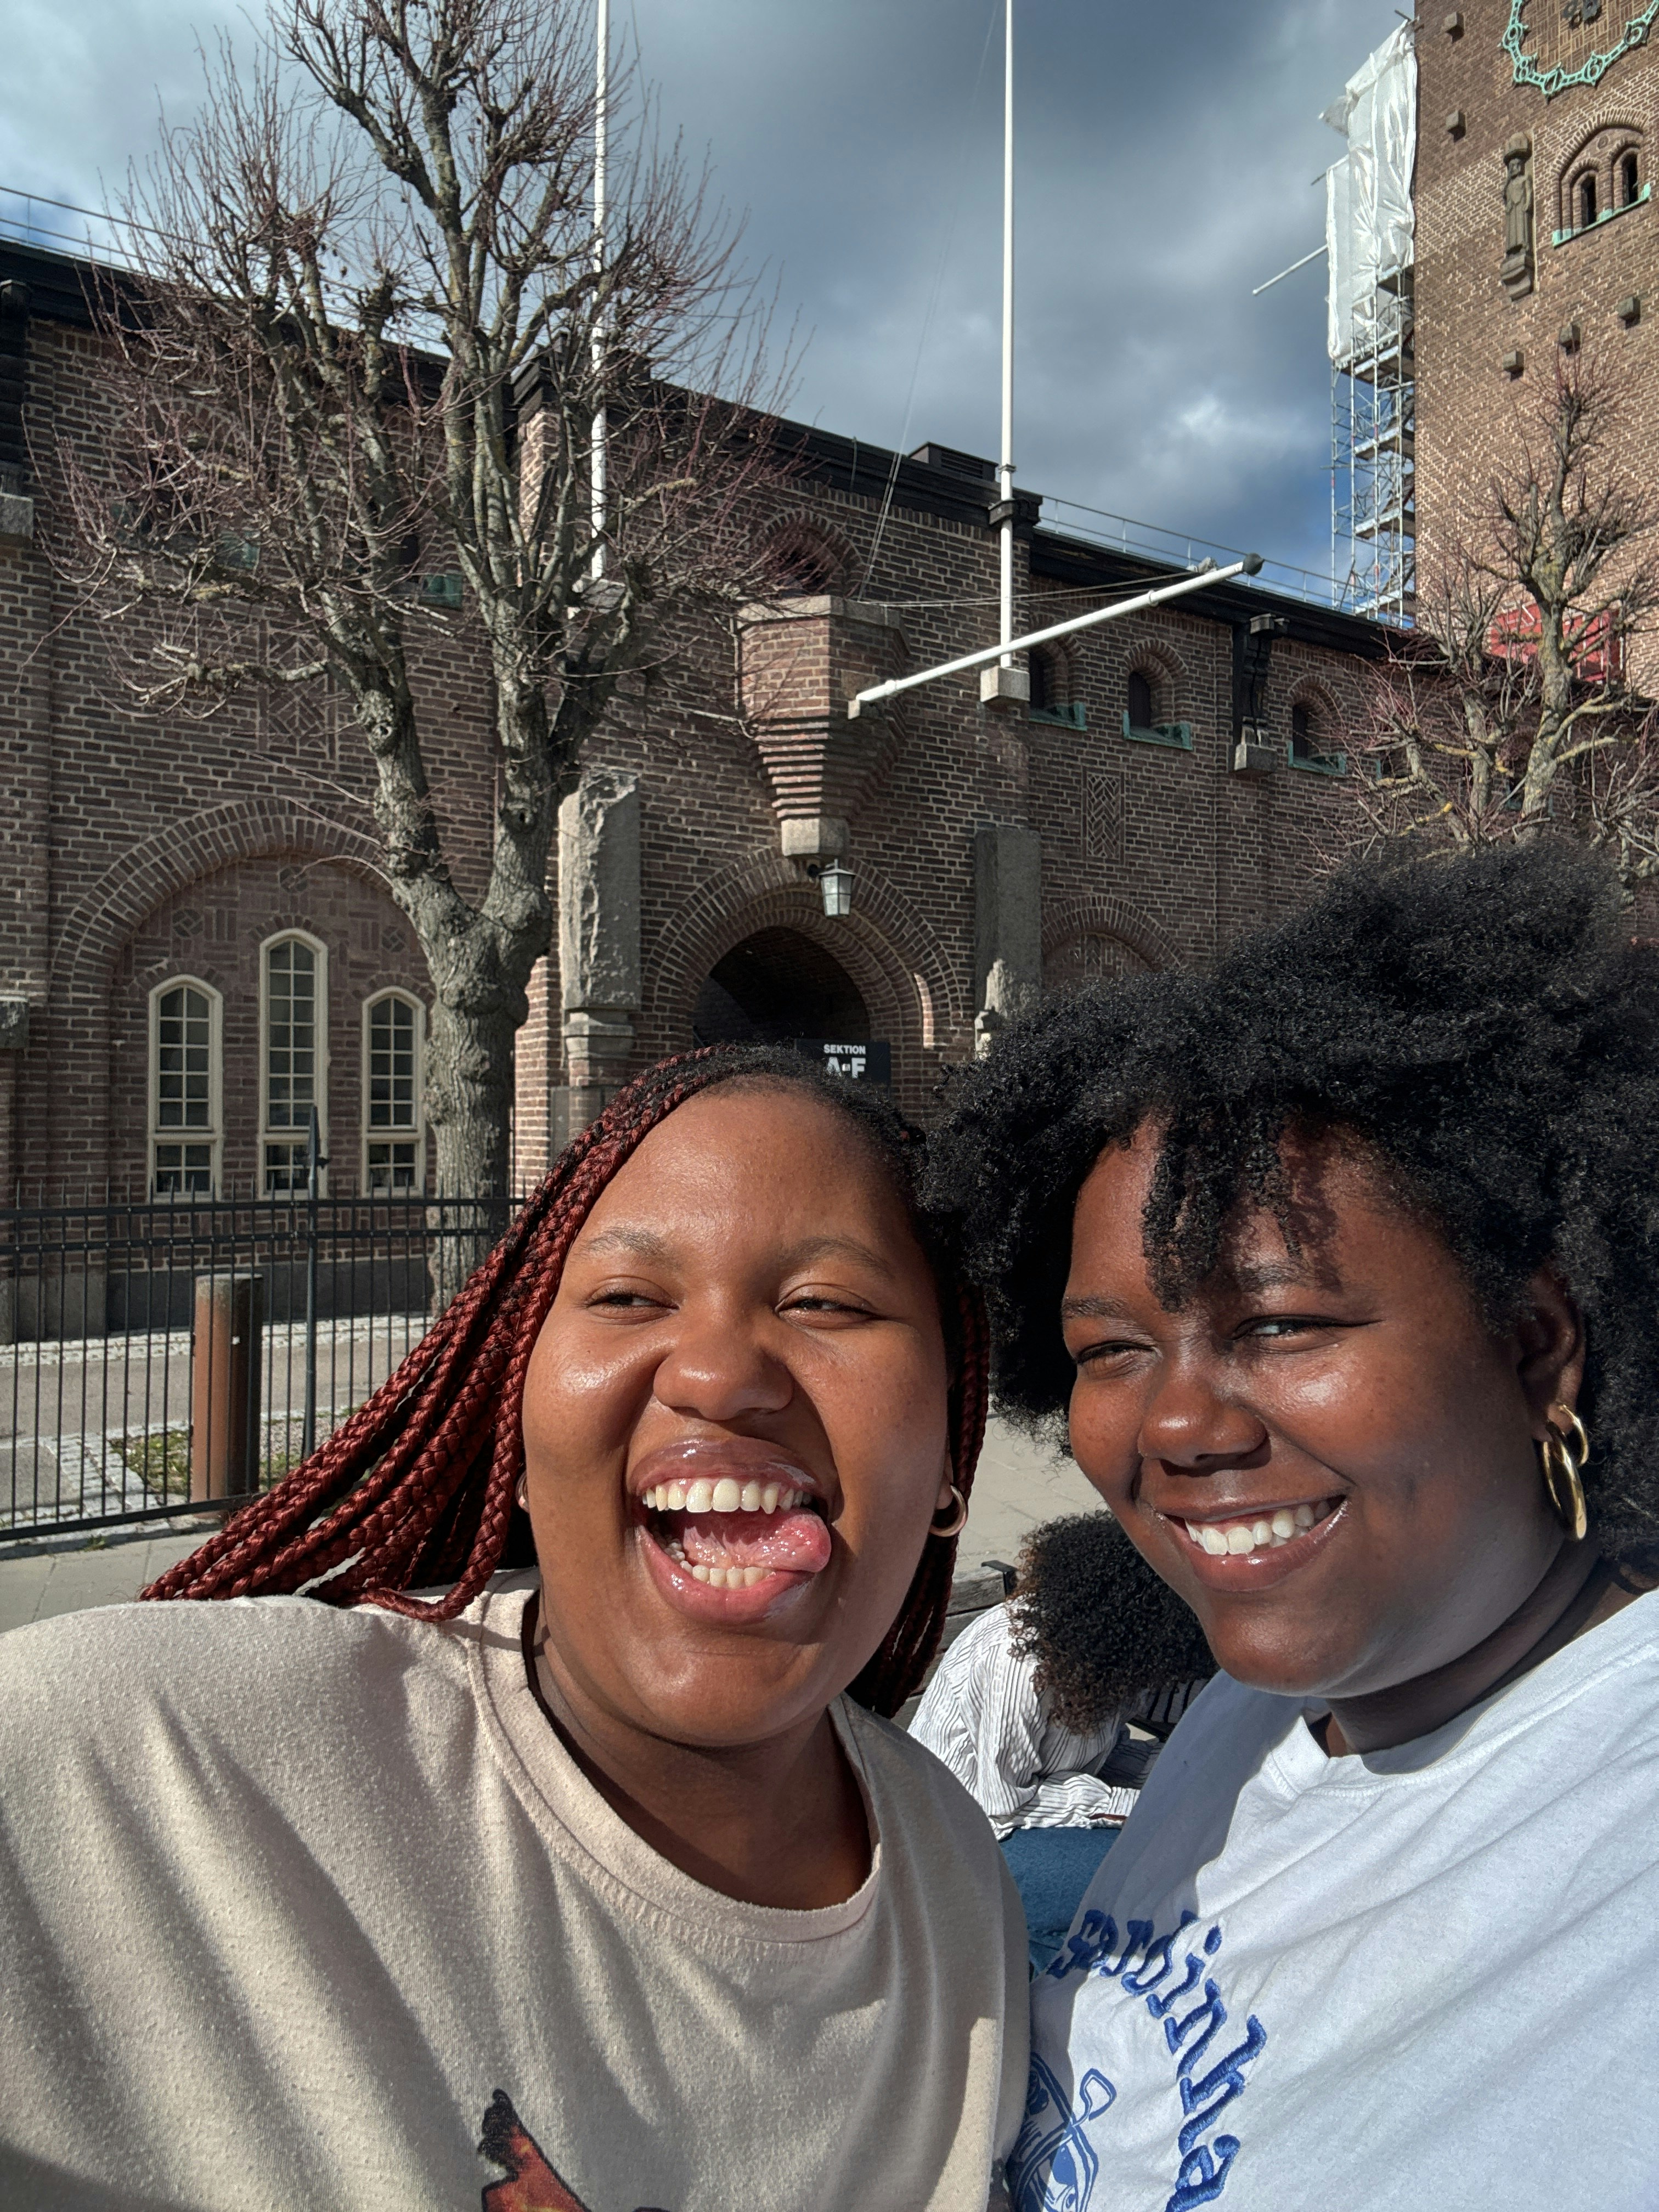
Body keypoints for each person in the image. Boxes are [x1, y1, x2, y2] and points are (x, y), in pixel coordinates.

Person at [0, 1047, 1028, 2212]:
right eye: (630, 1297)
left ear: (953, 1453)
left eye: (824, 1303)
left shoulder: (954, 1887)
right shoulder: (139, 1763)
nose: (717, 1373)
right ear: (519, 1436)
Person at [928, 843, 1659, 2212]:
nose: (1180, 1427)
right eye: (1110, 1349)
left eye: (1281, 1324)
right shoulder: (1273, 1710)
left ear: (1540, 1341)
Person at [911, 1513, 1209, 1971]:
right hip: (963, 1840)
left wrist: (1176, 1774)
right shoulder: (1020, 1664)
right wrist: (1130, 1804)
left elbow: (1097, 1753)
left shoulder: (1102, 1657)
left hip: (1026, 1822)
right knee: (1143, 1874)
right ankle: (1048, 1994)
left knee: (1178, 1845)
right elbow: (1003, 1802)